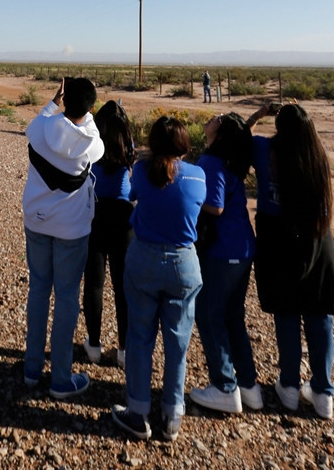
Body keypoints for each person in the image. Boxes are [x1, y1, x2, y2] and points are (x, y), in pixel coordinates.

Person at [112, 116, 205, 443]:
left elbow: (133, 192)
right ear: (184, 144)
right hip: (183, 263)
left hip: (143, 258)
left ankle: (137, 412)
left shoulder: (141, 170)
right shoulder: (198, 175)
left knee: (139, 336)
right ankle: (172, 414)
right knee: (177, 343)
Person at [247, 102, 334, 420]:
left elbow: (239, 136)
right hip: (317, 239)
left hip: (277, 239)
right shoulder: (318, 157)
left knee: (286, 312)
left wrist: (259, 115)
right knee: (319, 314)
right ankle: (323, 391)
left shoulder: (264, 150)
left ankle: (288, 386)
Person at [22, 76, 103, 399]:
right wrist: (83, 107)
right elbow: (91, 126)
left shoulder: (41, 128)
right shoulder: (92, 144)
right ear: (91, 106)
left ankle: (31, 369)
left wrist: (55, 103)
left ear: (64, 99)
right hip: (72, 229)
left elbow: (40, 120)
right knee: (67, 297)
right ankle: (61, 377)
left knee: (38, 289)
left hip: (36, 222)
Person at [189, 112, 262, 413]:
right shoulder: (231, 158)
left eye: (218, 119)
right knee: (233, 316)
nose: (212, 118)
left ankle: (224, 387)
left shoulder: (211, 162)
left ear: (219, 133)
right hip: (242, 246)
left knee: (208, 315)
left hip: (222, 251)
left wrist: (186, 195)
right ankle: (248, 386)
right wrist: (259, 114)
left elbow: (215, 207)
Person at [81, 100, 134, 368]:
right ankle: (125, 349)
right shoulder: (128, 145)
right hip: (124, 217)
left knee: (94, 283)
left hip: (95, 214)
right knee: (123, 287)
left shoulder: (92, 145)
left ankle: (93, 344)